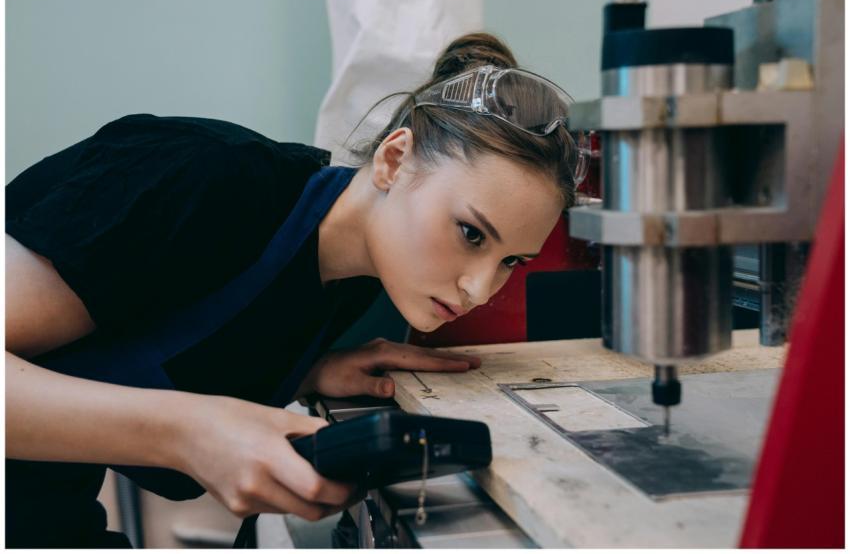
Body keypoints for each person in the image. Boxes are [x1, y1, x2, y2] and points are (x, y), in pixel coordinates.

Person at [5, 32, 580, 547]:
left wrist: (302, 371)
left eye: (512, 260)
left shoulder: (354, 286)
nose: (480, 288)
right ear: (394, 158)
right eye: (470, 233)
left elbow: (125, 341)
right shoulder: (201, 177)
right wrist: (186, 434)